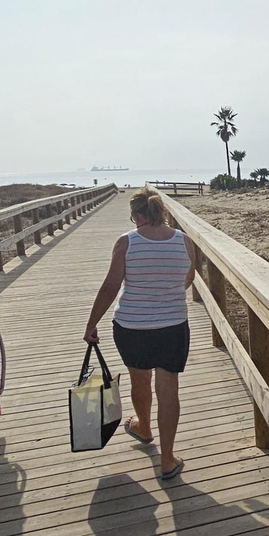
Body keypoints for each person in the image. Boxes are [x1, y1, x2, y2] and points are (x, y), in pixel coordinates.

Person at [83, 187, 194, 479]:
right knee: (168, 389)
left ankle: (144, 428)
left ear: (136, 215)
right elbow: (187, 280)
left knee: (139, 379)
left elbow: (110, 287)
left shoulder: (126, 242)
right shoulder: (185, 242)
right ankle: (168, 460)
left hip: (133, 327)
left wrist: (91, 323)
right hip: (173, 326)